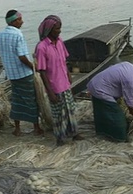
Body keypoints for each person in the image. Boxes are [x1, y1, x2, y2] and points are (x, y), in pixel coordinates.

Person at [35, 15, 83, 146]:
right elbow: (42, 71)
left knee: (70, 109)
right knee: (58, 114)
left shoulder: (60, 42)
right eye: (57, 29)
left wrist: (68, 74)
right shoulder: (42, 47)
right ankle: (60, 138)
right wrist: (49, 91)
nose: (59, 31)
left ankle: (74, 132)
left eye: (60, 28)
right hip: (54, 86)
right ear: (49, 30)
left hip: (64, 83)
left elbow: (64, 60)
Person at [0, 9, 42, 137]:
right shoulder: (18, 35)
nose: (22, 22)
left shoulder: (0, 35)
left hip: (11, 74)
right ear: (15, 21)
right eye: (20, 19)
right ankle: (37, 128)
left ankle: (17, 129)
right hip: (23, 74)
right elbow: (22, 57)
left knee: (16, 100)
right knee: (31, 100)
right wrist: (34, 67)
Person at [86, 62, 133, 142]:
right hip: (101, 90)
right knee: (119, 119)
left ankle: (103, 132)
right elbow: (129, 104)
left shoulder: (129, 65)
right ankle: (119, 139)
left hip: (95, 83)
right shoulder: (131, 81)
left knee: (102, 112)